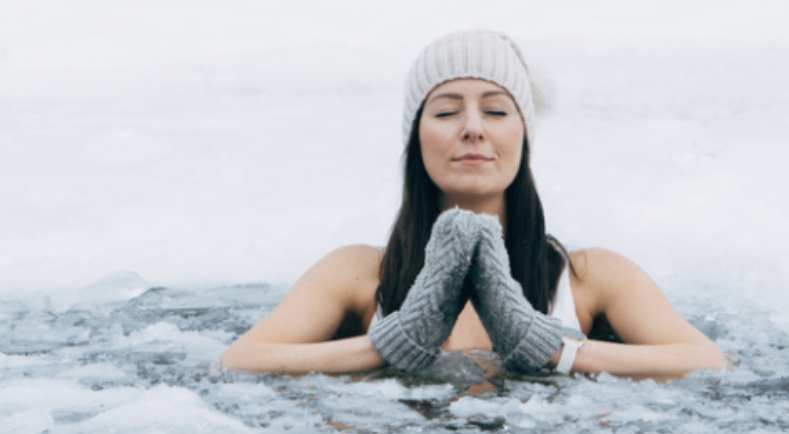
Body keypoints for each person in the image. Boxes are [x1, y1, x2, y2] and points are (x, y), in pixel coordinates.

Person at [220, 30, 730, 378]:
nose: (472, 127)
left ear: (523, 135)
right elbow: (238, 361)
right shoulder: (357, 273)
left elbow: (707, 362)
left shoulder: (586, 277)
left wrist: (552, 349)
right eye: (445, 111)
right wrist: (391, 345)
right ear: (416, 138)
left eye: (495, 109)